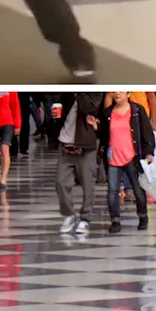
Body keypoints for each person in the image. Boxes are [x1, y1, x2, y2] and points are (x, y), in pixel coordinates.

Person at [100, 92, 155, 234]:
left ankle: (143, 216)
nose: (117, 93)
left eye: (121, 90)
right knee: (113, 191)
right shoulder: (107, 113)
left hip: (132, 157)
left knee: (138, 189)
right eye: (115, 90)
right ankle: (115, 220)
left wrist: (149, 152)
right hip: (113, 158)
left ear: (128, 93)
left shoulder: (137, 111)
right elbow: (104, 134)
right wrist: (96, 127)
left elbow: (146, 132)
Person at [56, 93, 102, 236]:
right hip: (66, 145)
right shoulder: (68, 92)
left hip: (85, 146)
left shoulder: (96, 92)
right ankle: (69, 214)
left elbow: (89, 109)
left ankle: (85, 218)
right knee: (61, 182)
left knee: (88, 185)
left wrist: (79, 91)